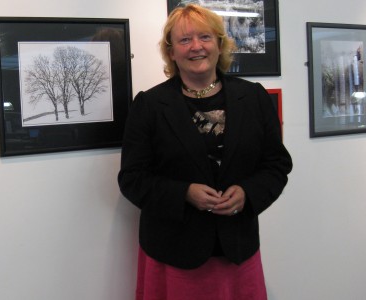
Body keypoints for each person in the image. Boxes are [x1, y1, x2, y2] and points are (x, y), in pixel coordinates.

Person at [117, 4, 292, 300]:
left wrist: (248, 192)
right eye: (184, 40)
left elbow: (277, 165)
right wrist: (184, 192)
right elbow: (132, 179)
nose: (196, 47)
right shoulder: (148, 105)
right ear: (171, 52)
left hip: (237, 248)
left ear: (220, 45)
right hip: (173, 252)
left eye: (205, 37)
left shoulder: (253, 97)